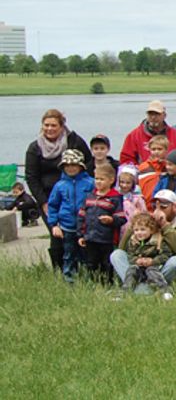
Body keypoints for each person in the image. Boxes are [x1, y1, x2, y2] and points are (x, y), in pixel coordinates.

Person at [25, 109, 94, 269]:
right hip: (49, 197)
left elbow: (89, 164)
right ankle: (60, 270)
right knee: (57, 235)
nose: (49, 129)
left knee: (80, 233)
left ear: (62, 126)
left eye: (54, 125)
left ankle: (84, 269)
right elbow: (31, 177)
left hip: (77, 193)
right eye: (46, 125)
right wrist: (43, 202)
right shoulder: (35, 148)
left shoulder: (74, 141)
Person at [110, 189, 176, 292]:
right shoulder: (148, 221)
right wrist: (134, 224)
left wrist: (165, 225)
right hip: (138, 268)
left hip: (160, 267)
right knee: (117, 254)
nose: (158, 210)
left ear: (175, 207)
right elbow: (123, 248)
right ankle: (133, 283)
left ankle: (152, 286)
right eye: (155, 206)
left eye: (163, 207)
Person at [47, 149, 95, 283]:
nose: (71, 168)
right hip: (66, 227)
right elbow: (53, 206)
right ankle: (69, 280)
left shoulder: (90, 183)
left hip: (85, 227)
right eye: (67, 166)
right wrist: (54, 224)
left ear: (81, 166)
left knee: (86, 255)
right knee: (68, 254)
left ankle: (87, 280)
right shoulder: (59, 185)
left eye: (74, 165)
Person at [77, 163, 125, 285]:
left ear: (111, 180)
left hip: (107, 239)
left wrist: (111, 220)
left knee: (107, 264)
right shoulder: (89, 196)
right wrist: (81, 235)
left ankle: (108, 284)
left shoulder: (115, 198)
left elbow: (122, 218)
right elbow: (82, 216)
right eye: (96, 179)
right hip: (90, 237)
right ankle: (93, 284)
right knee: (91, 263)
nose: (98, 182)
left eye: (102, 179)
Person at [118, 214, 175, 300]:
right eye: (136, 230)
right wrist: (136, 260)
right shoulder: (133, 241)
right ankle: (124, 293)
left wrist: (153, 261)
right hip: (138, 267)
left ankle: (165, 291)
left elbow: (166, 254)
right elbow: (130, 255)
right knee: (131, 272)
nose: (139, 233)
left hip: (154, 266)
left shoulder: (158, 241)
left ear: (151, 230)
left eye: (143, 229)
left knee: (152, 272)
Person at [119, 100, 176, 166]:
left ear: (164, 115)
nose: (153, 117)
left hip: (171, 176)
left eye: (157, 114)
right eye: (150, 114)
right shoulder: (134, 136)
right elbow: (126, 160)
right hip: (143, 176)